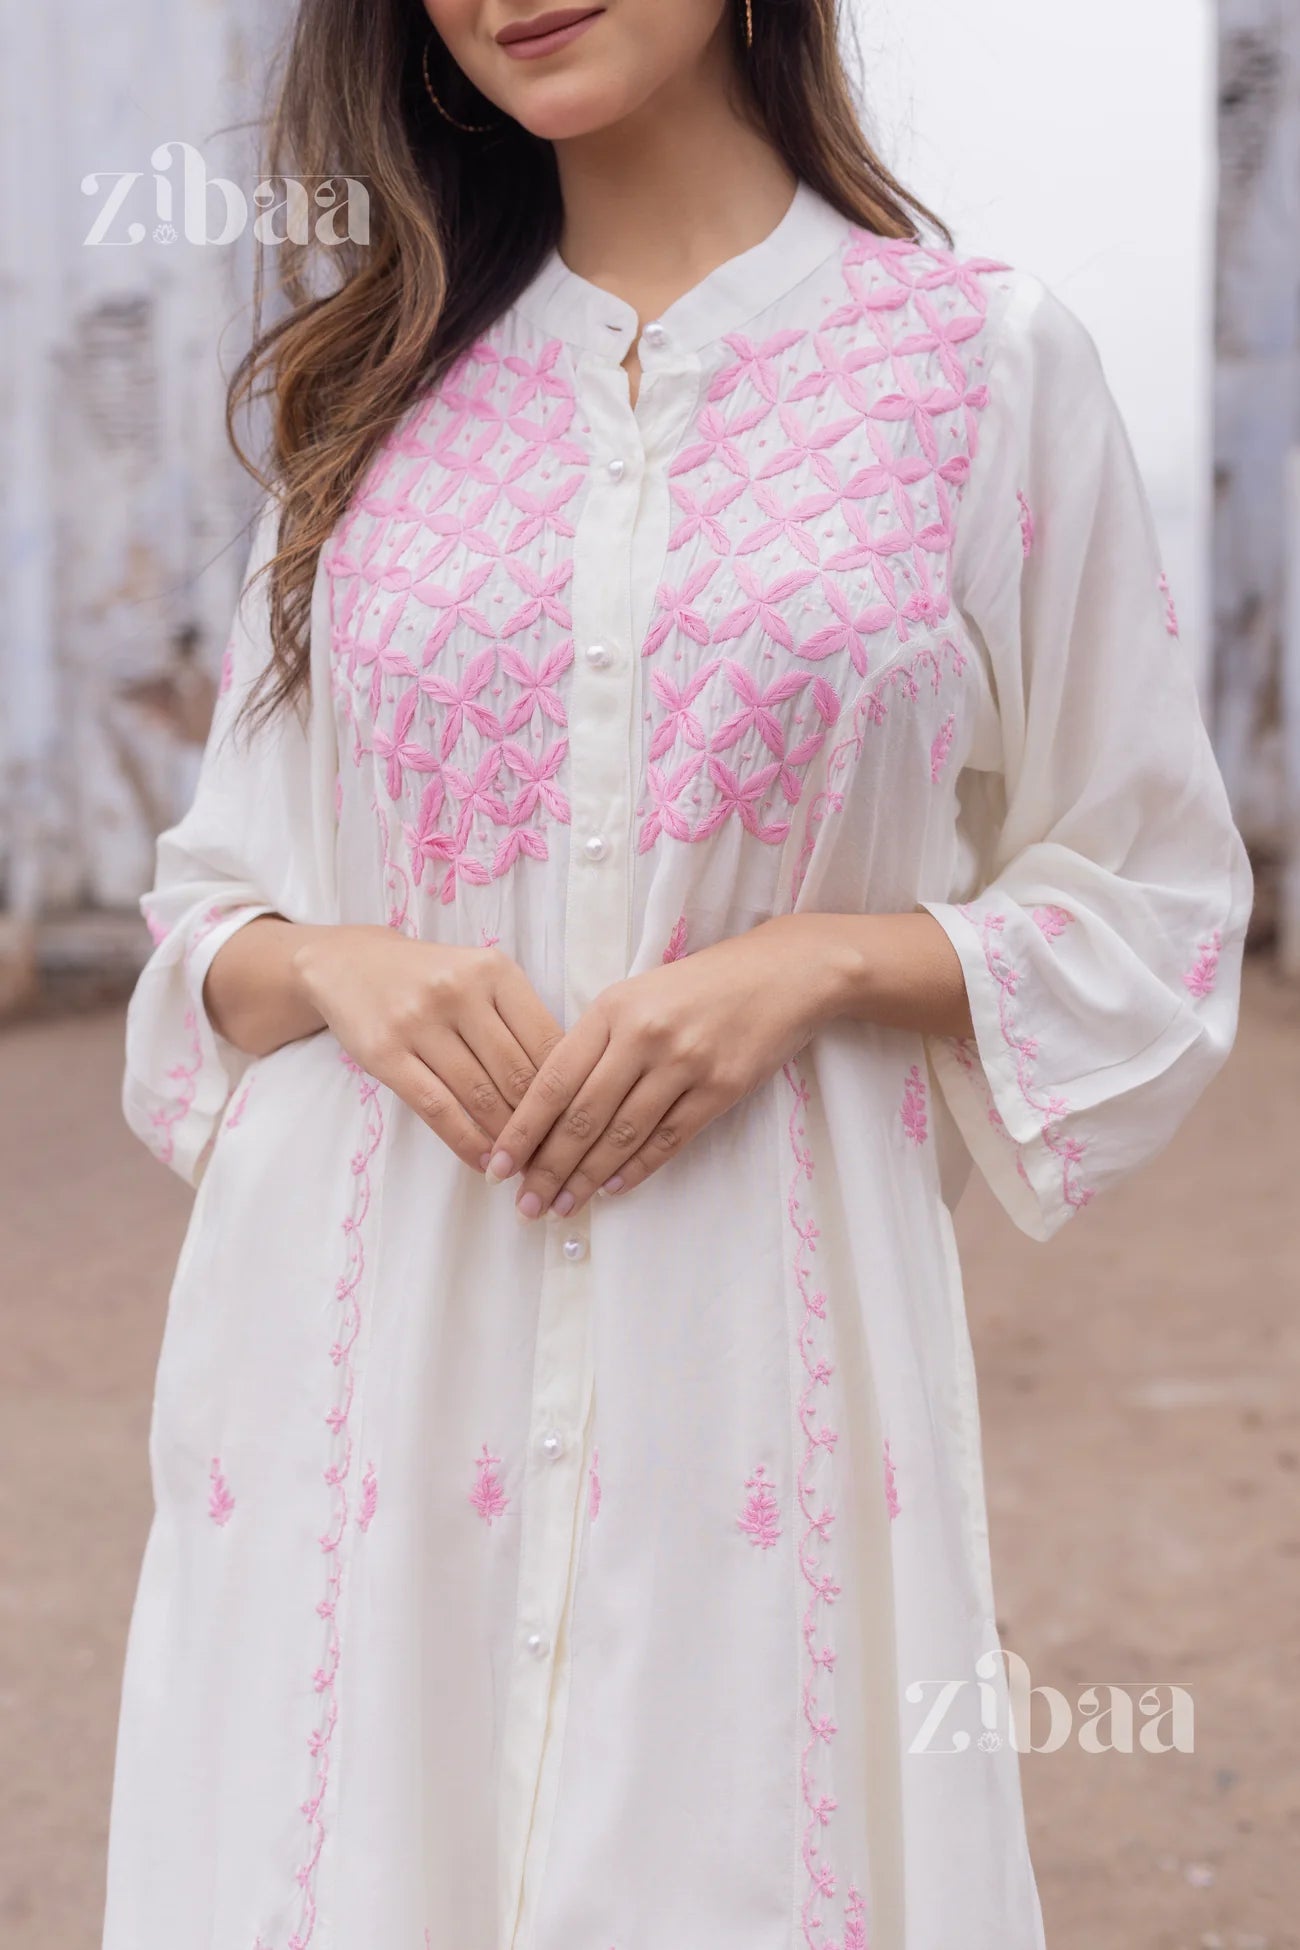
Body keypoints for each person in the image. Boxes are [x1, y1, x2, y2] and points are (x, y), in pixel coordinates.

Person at [102, 2, 1254, 1946]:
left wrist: (823, 960)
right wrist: (335, 964)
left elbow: (1155, 903)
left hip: (750, 1361)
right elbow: (210, 915)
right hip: (360, 1378)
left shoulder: (974, 369)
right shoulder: (360, 395)